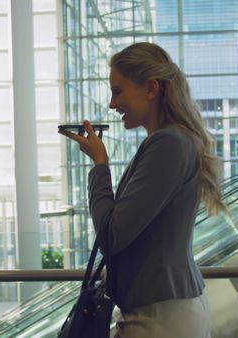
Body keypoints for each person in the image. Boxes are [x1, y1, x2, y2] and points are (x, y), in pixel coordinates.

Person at [58, 42, 226, 338]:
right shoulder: (170, 141)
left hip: (161, 317)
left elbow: (111, 235)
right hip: (163, 310)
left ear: (151, 89)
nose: (112, 104)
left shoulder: (168, 144)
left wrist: (100, 165)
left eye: (118, 91)